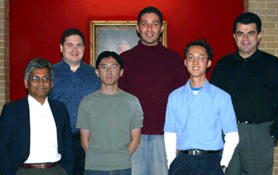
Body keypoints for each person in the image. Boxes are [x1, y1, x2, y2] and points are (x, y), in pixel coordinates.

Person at [210, 12, 278, 175]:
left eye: (250, 33)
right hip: (228, 134)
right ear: (234, 36)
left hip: (259, 135)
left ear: (258, 36)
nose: (245, 38)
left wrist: (274, 133)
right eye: (240, 33)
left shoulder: (273, 65)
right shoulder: (223, 65)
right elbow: (213, 103)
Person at [118, 6, 187, 175]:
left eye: (154, 24)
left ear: (161, 28)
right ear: (137, 28)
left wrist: (181, 138)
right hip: (132, 138)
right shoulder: (124, 60)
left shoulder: (174, 59)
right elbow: (118, 101)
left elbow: (182, 102)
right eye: (144, 24)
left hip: (165, 138)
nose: (149, 29)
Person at [164, 40, 239, 175]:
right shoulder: (174, 97)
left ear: (208, 63)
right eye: (191, 57)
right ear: (185, 62)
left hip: (211, 162)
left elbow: (232, 135)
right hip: (182, 162)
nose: (195, 62)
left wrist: (223, 165)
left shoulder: (222, 97)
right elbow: (170, 134)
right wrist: (171, 163)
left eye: (201, 58)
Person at [0, 58, 73, 175]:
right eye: (35, 78)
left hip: (56, 170)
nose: (41, 83)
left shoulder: (60, 108)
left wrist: (66, 170)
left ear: (51, 83)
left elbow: (68, 144)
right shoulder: (12, 110)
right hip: (24, 171)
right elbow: (3, 149)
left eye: (46, 79)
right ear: (26, 83)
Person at [76, 51, 143, 175]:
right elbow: (84, 140)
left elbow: (136, 139)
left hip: (122, 167)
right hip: (94, 168)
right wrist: (96, 160)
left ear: (121, 72)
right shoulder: (87, 102)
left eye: (114, 67)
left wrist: (120, 159)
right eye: (104, 67)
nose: (108, 71)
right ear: (97, 72)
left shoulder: (132, 102)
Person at [49, 28, 102, 175]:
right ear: (61, 48)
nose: (74, 49)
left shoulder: (95, 75)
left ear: (84, 48)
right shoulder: (49, 74)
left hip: (89, 141)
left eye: (79, 45)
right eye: (69, 45)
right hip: (58, 141)